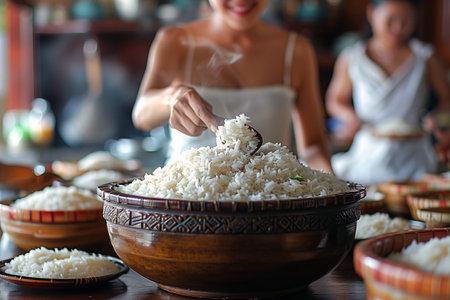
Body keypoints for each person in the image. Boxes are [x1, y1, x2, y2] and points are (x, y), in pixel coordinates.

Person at [132, 0, 333, 173]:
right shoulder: (174, 40)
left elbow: (314, 146)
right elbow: (141, 116)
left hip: (271, 202)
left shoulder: (297, 50)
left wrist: (333, 189)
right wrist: (172, 97)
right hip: (183, 199)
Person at [325, 0, 450, 185]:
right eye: (390, 20)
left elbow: (446, 101)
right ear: (371, 14)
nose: (398, 28)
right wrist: (350, 117)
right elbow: (334, 100)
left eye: (406, 21)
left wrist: (436, 117)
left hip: (415, 157)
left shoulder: (425, 57)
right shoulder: (352, 57)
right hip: (368, 155)